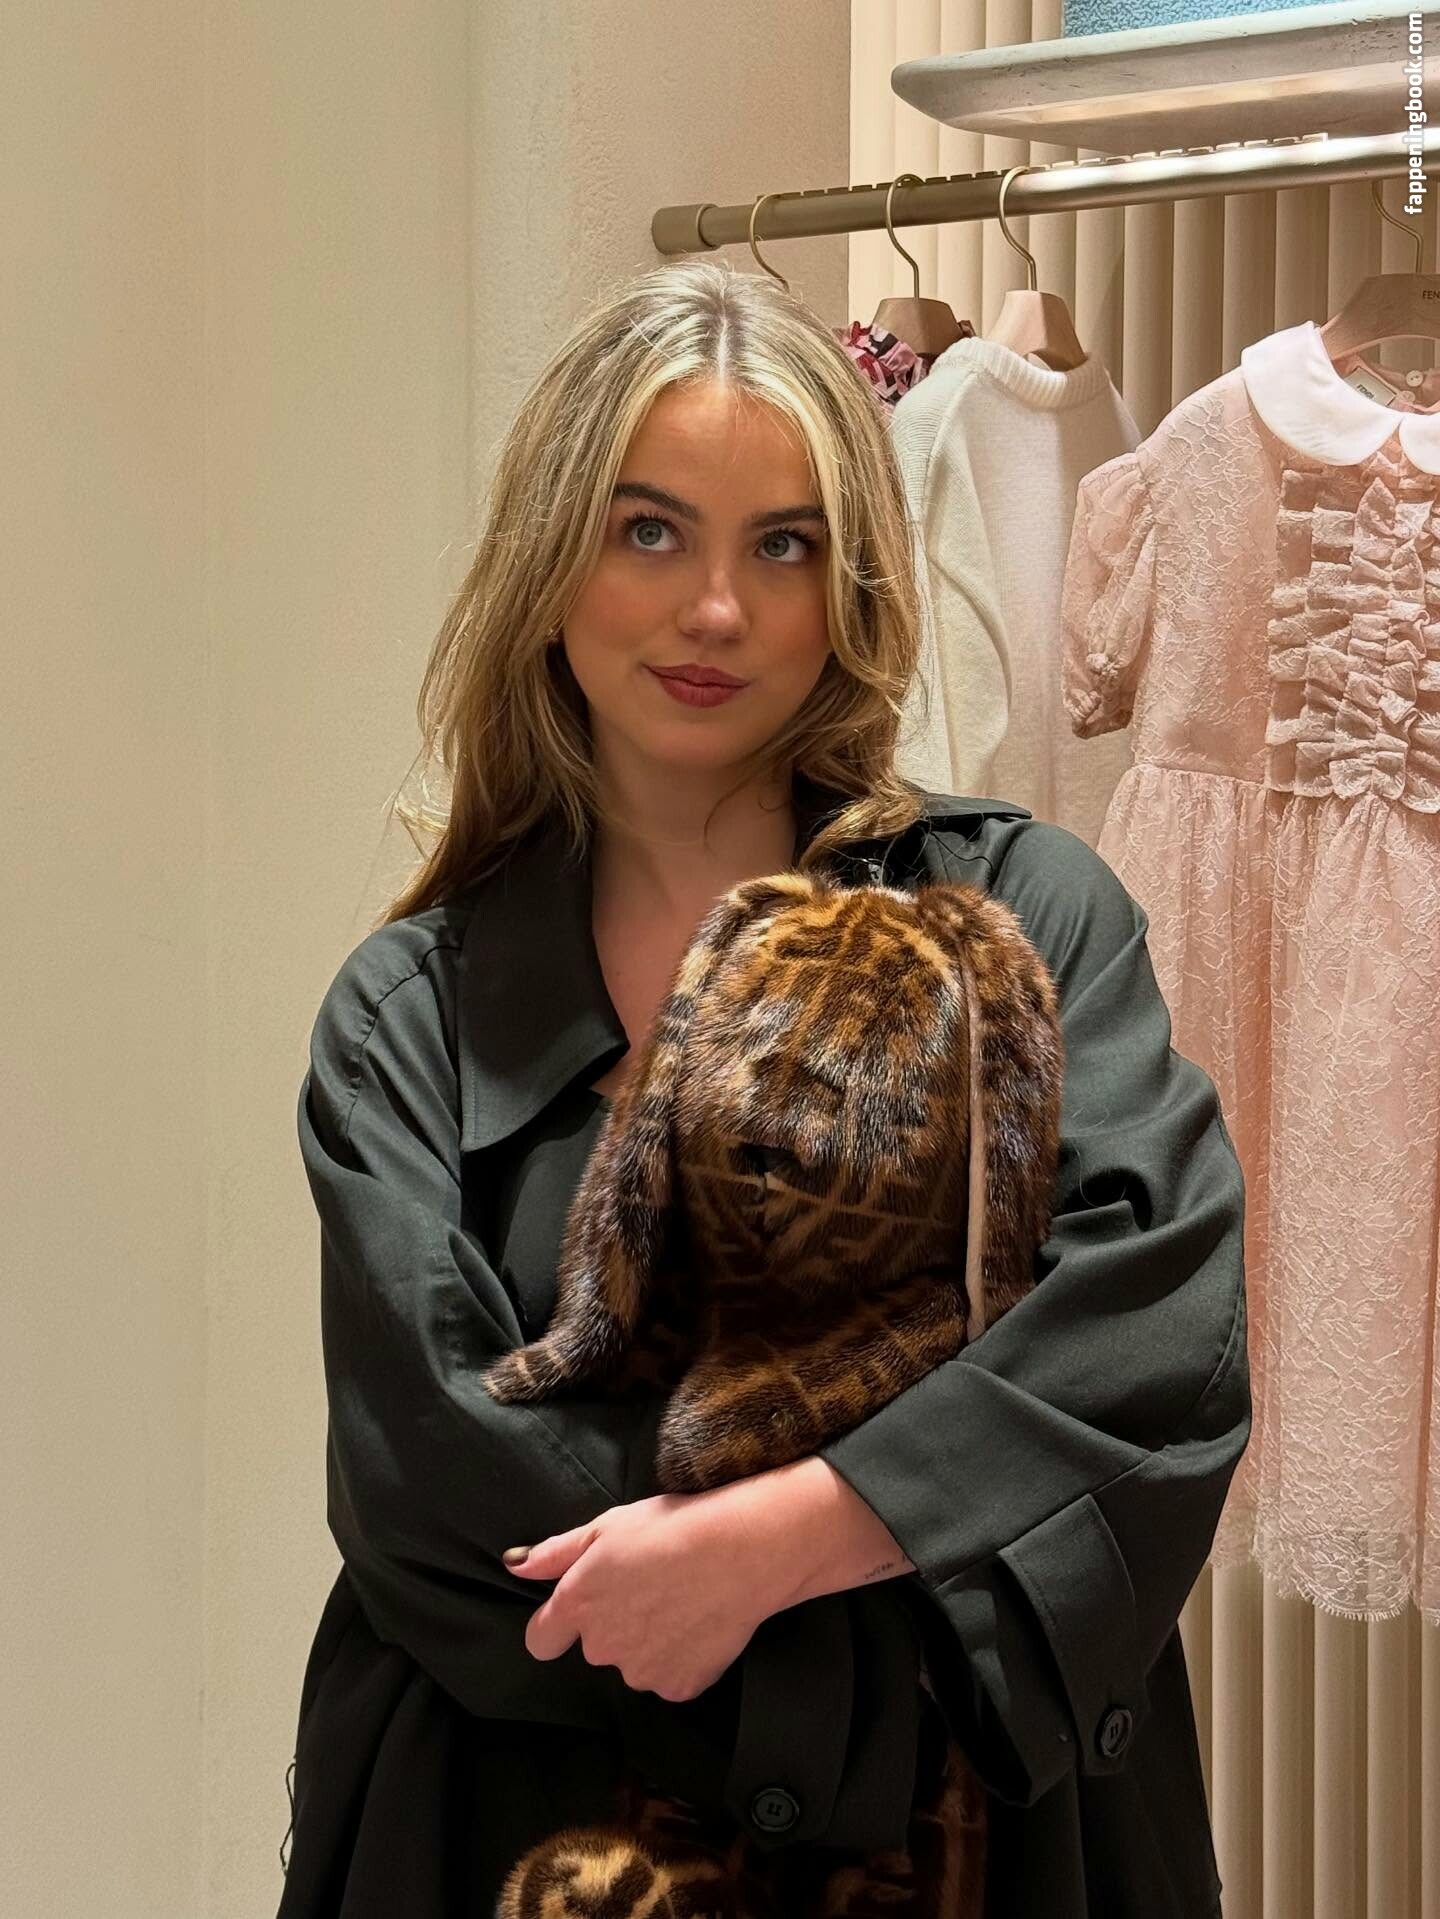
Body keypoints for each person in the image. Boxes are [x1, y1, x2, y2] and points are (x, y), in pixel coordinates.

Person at [276, 256, 1250, 1918]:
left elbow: (1154, 1339)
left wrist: (782, 1540)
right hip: (527, 1830)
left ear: (849, 579)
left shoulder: (1032, 916)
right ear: (550, 559)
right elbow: (436, 1486)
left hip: (1001, 1851)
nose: (715, 610)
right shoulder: (407, 1019)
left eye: (781, 545)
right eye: (649, 531)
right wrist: (912, 1561)